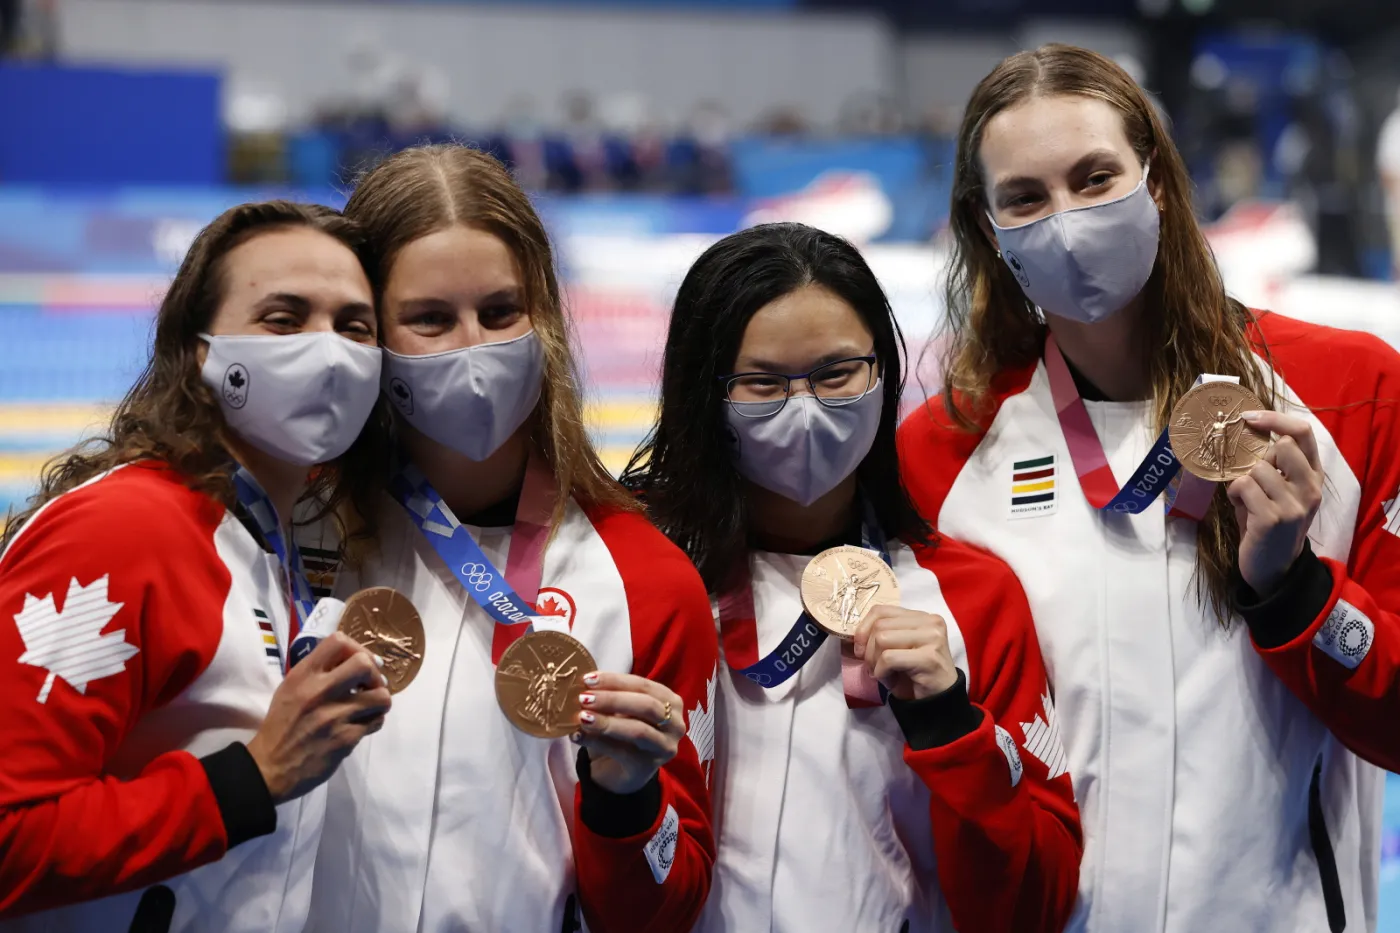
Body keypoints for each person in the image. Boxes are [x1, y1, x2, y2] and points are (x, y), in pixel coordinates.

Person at [898, 44, 1400, 932]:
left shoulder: (1350, 391)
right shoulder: (938, 453)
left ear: (1157, 181)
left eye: (1095, 179)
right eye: (1026, 197)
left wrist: (1297, 594)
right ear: (989, 229)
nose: (1066, 219)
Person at [300, 144, 718, 933]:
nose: (473, 345)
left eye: (501, 312)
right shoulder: (296, 540)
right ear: (367, 333)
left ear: (548, 323)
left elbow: (670, 905)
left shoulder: (643, 576)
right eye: (429, 318)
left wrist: (626, 801)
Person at [622, 222, 1082, 932]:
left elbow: (1037, 903)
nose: (804, 410)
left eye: (837, 373)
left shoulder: (969, 595)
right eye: (762, 382)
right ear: (701, 393)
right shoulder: (636, 577)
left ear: (884, 371)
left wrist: (952, 727)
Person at [0, 201, 393, 931]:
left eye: (354, 326)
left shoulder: (269, 541)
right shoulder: (124, 532)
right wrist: (250, 779)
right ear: (200, 351)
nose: (329, 349)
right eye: (284, 317)